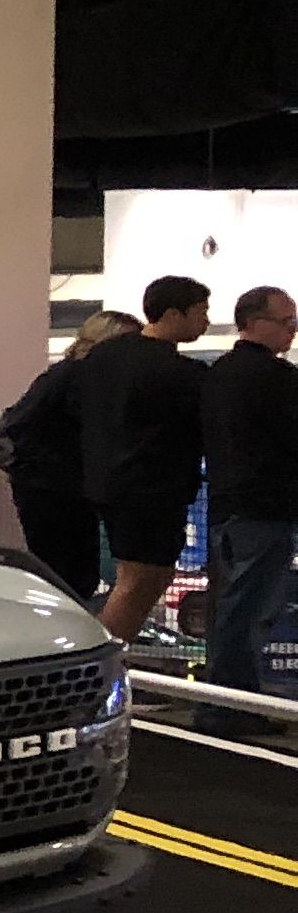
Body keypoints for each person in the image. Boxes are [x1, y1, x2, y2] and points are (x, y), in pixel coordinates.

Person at [75, 273, 213, 640]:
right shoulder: (181, 372)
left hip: (106, 482)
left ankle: (107, 659)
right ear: (172, 314)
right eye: (200, 312)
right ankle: (104, 664)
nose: (206, 321)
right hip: (153, 489)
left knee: (133, 578)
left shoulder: (105, 356)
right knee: (140, 581)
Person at [0, 309, 133, 603]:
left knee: (68, 570)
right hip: (54, 488)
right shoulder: (74, 377)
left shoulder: (68, 373)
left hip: (57, 486)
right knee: (67, 572)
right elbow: (20, 424)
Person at [203, 284, 298, 704]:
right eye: (286, 322)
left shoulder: (217, 374)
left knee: (233, 604)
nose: (293, 331)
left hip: (227, 506)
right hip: (266, 507)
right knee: (251, 610)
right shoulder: (277, 380)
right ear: (256, 323)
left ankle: (229, 699)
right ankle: (230, 703)